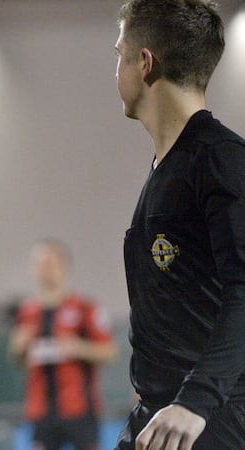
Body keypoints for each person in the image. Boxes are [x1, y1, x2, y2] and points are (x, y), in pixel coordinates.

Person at [113, 1, 245, 449]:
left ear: (144, 62)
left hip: (210, 421)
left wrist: (196, 401)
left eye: (120, 55)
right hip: (160, 416)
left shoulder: (220, 160)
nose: (116, 71)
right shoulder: (166, 169)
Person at [9, 239, 117, 450]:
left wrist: (79, 348)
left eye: (50, 264)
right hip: (41, 411)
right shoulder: (27, 312)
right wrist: (18, 348)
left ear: (65, 267)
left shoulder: (85, 308)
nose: (45, 271)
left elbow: (110, 352)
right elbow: (20, 360)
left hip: (80, 409)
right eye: (40, 265)